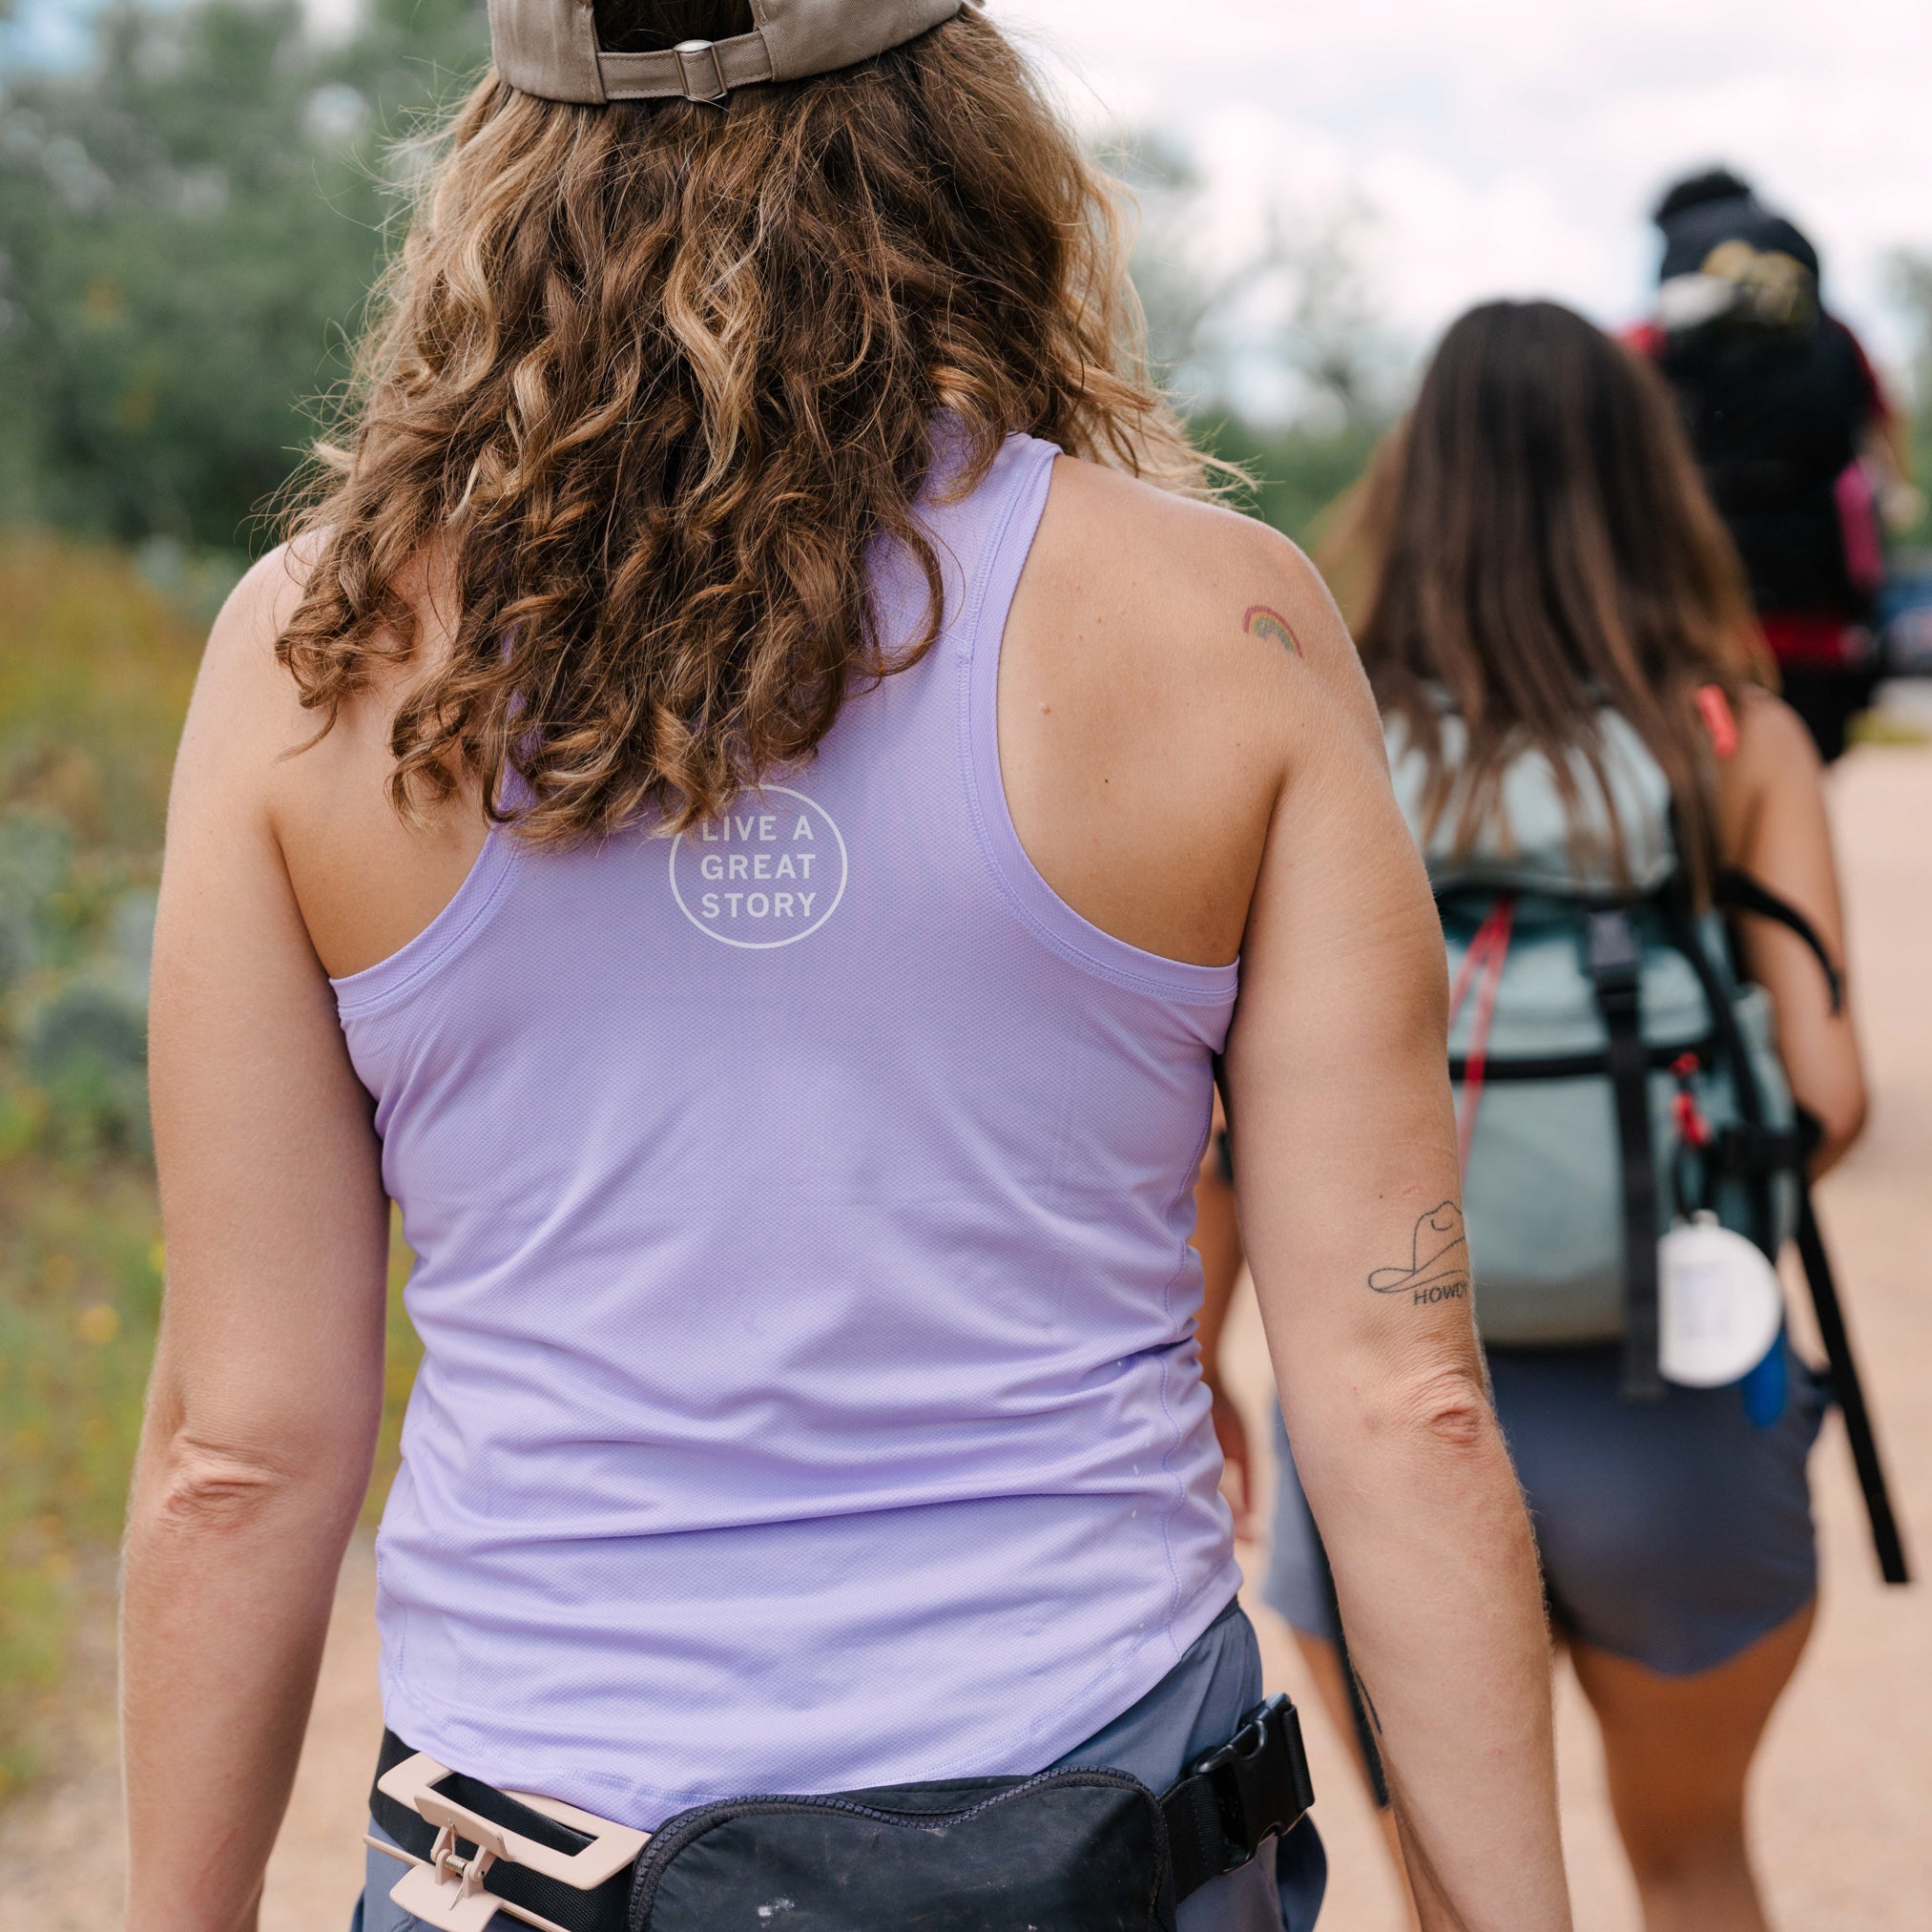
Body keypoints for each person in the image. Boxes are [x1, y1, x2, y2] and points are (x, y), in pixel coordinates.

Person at [119, 6, 1572, 1929]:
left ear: (504, 170)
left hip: (546, 1863)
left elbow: (241, 1451)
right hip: (1105, 1833)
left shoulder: (311, 661)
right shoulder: (1225, 625)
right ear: (966, 143)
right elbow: (1402, 1406)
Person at [1210, 299, 1867, 1932]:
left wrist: (1197, 1354)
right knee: (1695, 1864)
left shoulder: (1332, 738)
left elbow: (1233, 1121)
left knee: (1458, 1898)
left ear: (1412, 490)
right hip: (1684, 1405)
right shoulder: (1729, 736)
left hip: (1383, 1432)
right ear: (1654, 489)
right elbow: (1830, 1103)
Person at [1630, 167, 1916, 763]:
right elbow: (1883, 436)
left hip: (1697, 586)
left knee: (1710, 759)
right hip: (1815, 591)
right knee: (1806, 754)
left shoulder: (1652, 340)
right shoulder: (1834, 334)